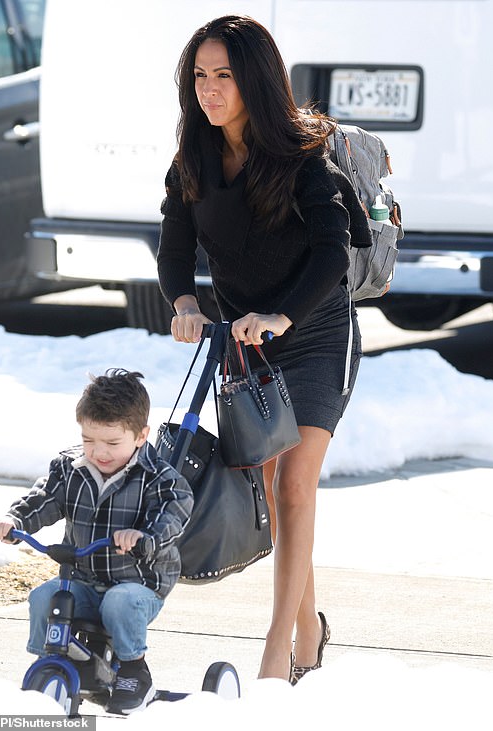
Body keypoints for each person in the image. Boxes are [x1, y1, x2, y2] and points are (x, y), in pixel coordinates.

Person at [157, 15, 371, 685]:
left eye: (223, 75)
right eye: (200, 75)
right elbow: (174, 245)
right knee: (276, 490)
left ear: (253, 79)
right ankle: (309, 621)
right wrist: (186, 304)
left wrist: (283, 313)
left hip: (316, 335)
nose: (209, 90)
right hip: (248, 351)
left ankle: (279, 653)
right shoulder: (193, 156)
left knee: (297, 482)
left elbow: (332, 252)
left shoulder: (303, 153)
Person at [0, 369, 194, 714]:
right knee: (45, 596)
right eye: (89, 440)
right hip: (83, 579)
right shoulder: (70, 468)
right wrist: (13, 521)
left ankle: (132, 670)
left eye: (112, 443)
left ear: (141, 436)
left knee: (119, 602)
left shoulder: (159, 478)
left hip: (137, 584)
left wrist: (145, 538)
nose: (99, 452)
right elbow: (43, 499)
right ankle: (48, 663)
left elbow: (174, 513)